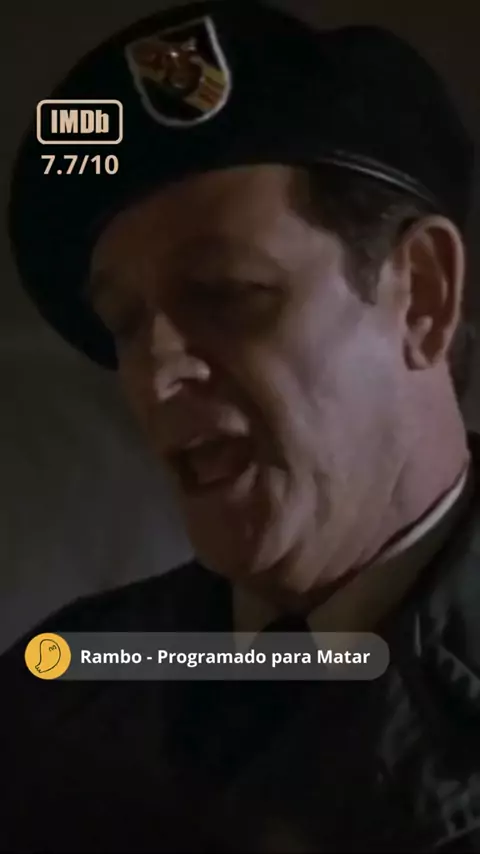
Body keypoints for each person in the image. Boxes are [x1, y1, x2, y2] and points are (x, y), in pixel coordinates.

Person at [2, 1, 479, 851]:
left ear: (423, 297)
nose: (154, 375)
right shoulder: (53, 689)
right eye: (125, 326)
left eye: (226, 294)